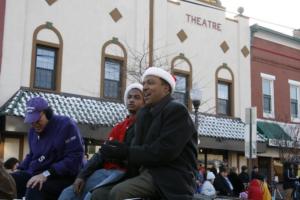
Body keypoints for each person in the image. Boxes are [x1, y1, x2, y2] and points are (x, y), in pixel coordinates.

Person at [92, 66, 198, 200]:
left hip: (169, 176)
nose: (145, 87)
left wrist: (126, 152)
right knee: (98, 194)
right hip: (143, 173)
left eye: (151, 82)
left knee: (119, 192)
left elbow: (164, 151)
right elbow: (137, 148)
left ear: (166, 88)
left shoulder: (177, 111)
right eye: (144, 83)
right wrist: (116, 154)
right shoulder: (144, 114)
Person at [58, 83, 144, 200]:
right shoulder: (119, 127)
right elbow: (101, 154)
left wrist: (115, 154)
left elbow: (130, 154)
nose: (132, 100)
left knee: (90, 196)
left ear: (144, 102)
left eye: (137, 97)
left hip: (122, 173)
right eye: (129, 97)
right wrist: (82, 175)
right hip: (105, 171)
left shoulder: (144, 126)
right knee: (68, 193)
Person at [11, 96, 84, 200]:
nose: (35, 124)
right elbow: (32, 155)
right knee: (10, 181)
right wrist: (19, 169)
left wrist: (46, 174)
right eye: (31, 121)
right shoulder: (32, 131)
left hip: (62, 176)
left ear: (48, 113)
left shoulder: (66, 125)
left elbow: (75, 158)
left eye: (37, 120)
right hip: (36, 173)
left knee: (35, 186)